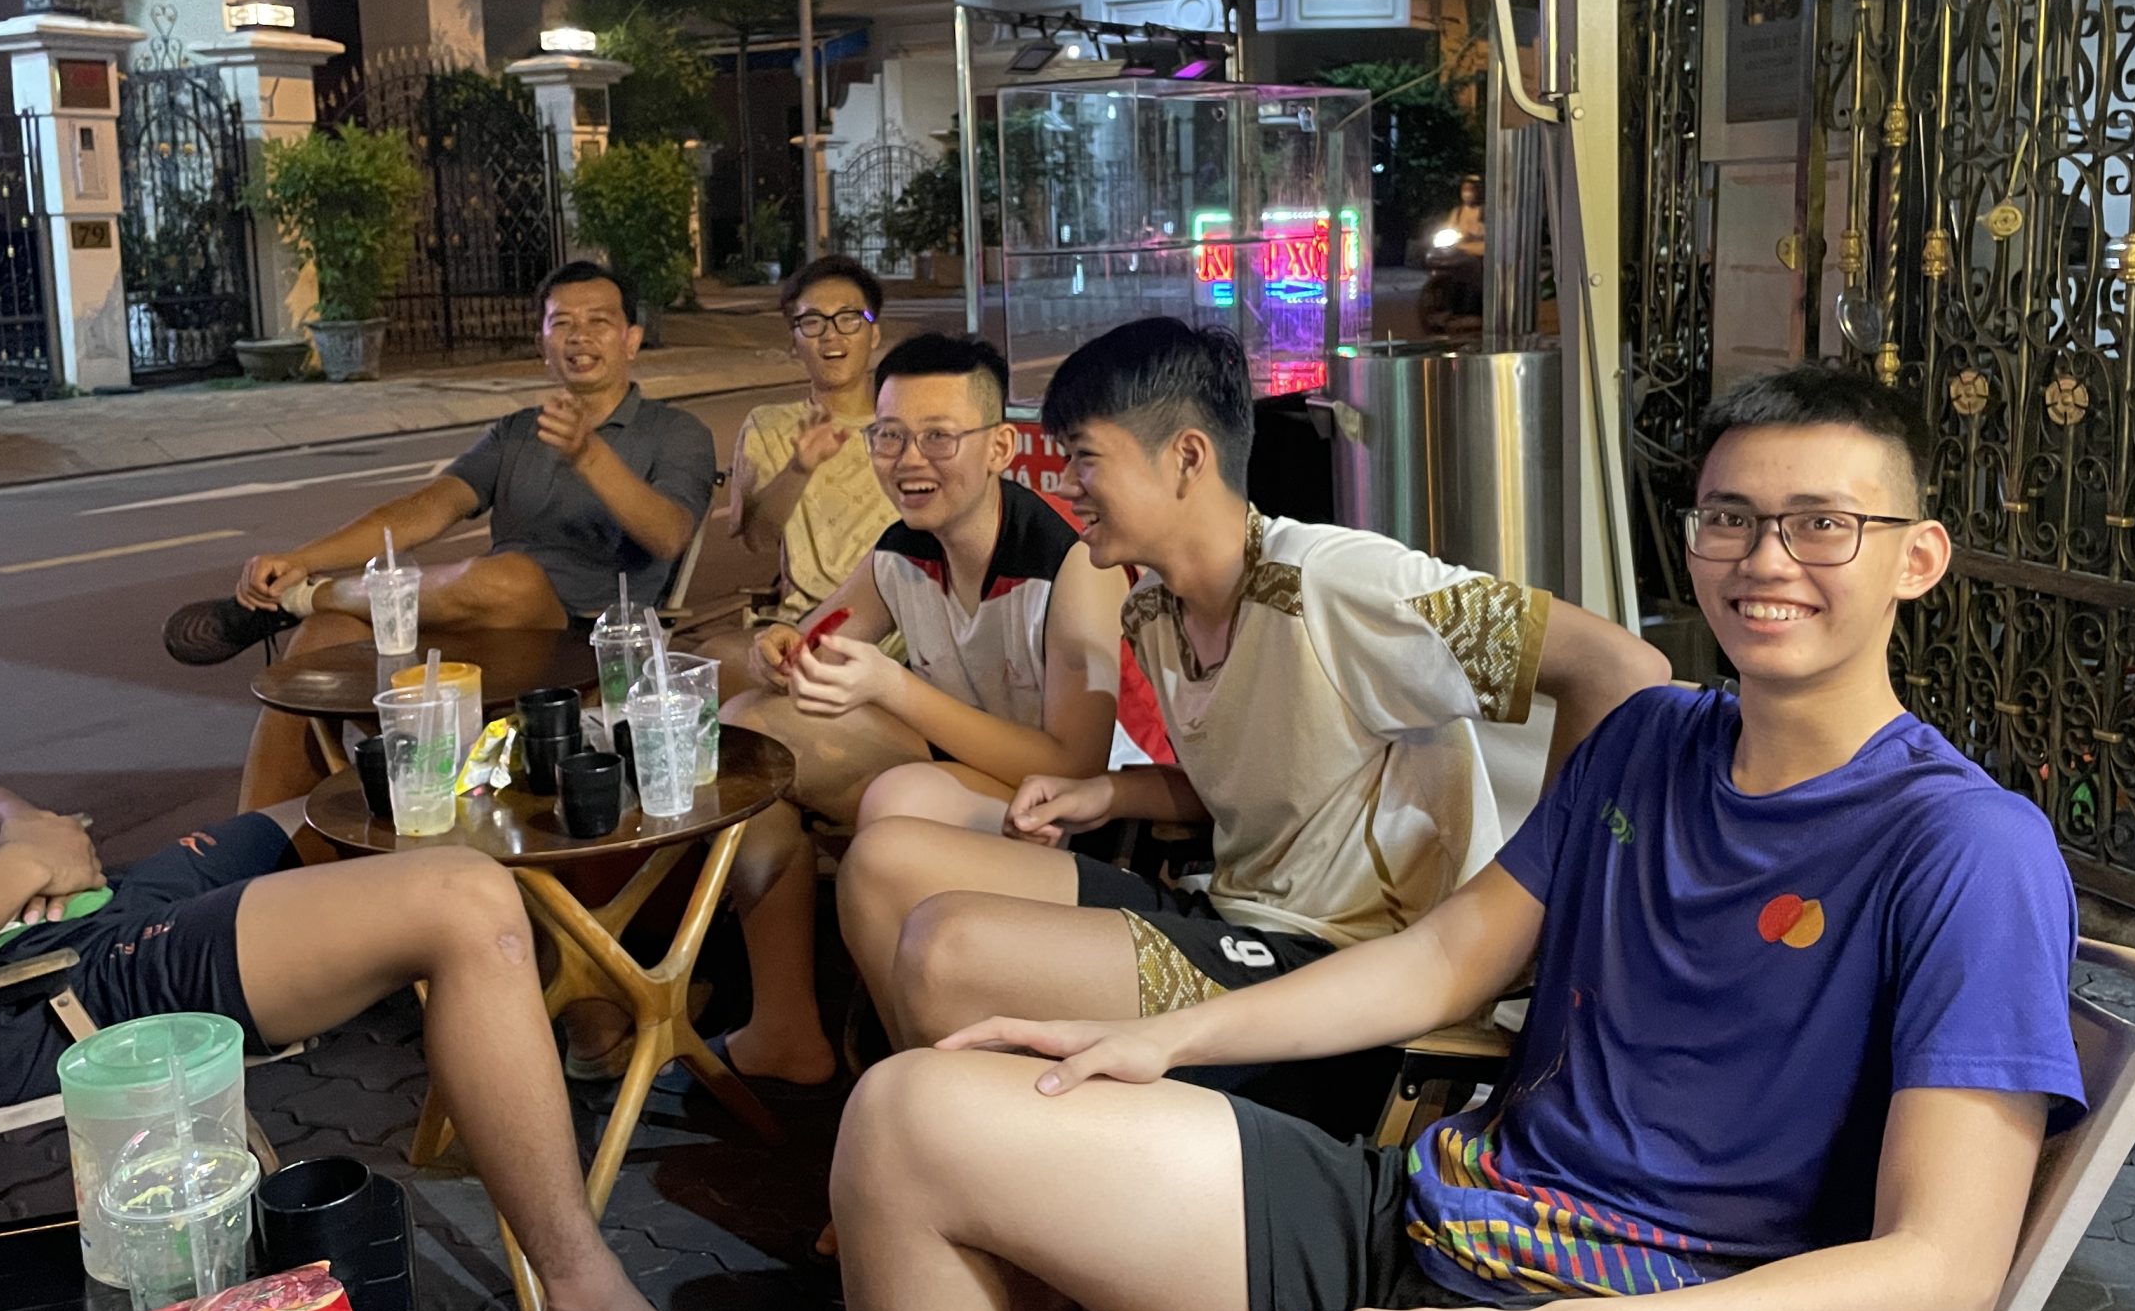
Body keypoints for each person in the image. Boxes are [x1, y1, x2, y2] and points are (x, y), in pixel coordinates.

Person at [829, 362, 2085, 1311]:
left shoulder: (1965, 847)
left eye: (1822, 526)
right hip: (1444, 1205)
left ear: (1916, 558)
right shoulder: (1647, 742)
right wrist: (1165, 1040)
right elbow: (1443, 958)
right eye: (1731, 519)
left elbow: (1939, 1278)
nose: (1765, 560)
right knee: (909, 1117)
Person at [0, 384, 776, 1311]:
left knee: (350, 807)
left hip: (71, 924)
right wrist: (18, 872)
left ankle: (552, 1018)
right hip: (4, 1007)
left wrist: (23, 824)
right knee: (465, 900)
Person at [837, 317, 1664, 1060]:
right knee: (884, 861)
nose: (1064, 485)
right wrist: (1106, 794)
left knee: (947, 948)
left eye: (1085, 457)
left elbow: (1618, 667)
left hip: (1338, 962)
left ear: (1187, 457)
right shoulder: (1153, 610)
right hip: (1230, 914)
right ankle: (933, 1120)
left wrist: (1533, 909)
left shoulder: (1331, 583)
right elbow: (1239, 789)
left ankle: (953, 1130)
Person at [708, 332, 1127, 1091]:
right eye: (890, 436)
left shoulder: (1070, 566)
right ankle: (785, 1024)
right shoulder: (903, 550)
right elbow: (817, 641)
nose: (909, 460)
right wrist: (778, 651)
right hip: (963, 772)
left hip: (1065, 811)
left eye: (939, 437)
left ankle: (927, 1067)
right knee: (750, 735)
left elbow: (1076, 766)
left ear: (1000, 447)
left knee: (898, 798)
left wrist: (893, 689)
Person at [161, 261, 718, 810]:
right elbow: (428, 508)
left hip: (582, 640)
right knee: (324, 638)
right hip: (480, 632)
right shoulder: (517, 431)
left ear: (631, 339)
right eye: (561, 323)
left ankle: (300, 600)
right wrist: (301, 558)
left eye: (599, 321)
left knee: (511, 578)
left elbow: (669, 534)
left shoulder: (675, 432)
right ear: (542, 343)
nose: (579, 336)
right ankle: (258, 838)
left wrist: (588, 454)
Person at [721, 253, 898, 627]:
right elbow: (758, 539)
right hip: (806, 627)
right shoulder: (770, 426)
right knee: (720, 655)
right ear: (794, 341)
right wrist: (799, 469)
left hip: (903, 625)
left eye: (848, 318)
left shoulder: (905, 425)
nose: (831, 335)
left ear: (874, 333)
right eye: (812, 322)